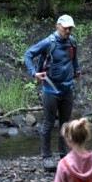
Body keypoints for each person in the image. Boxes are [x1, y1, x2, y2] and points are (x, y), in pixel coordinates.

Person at [24, 15, 81, 171]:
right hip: (50, 89)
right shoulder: (48, 43)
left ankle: (64, 155)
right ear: (58, 26)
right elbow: (28, 54)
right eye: (65, 28)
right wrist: (34, 73)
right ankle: (47, 157)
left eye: (70, 28)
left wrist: (77, 69)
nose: (68, 31)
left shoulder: (72, 42)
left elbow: (74, 59)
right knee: (48, 124)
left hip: (67, 88)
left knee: (65, 123)